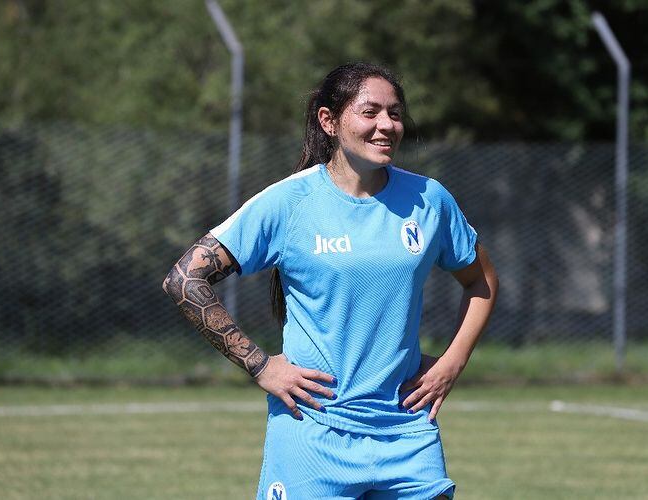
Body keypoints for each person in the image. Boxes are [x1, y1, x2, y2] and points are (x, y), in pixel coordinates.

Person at [163, 62, 498, 500]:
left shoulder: (429, 200)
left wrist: (453, 362)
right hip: (313, 433)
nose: (386, 125)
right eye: (370, 112)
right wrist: (261, 365)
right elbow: (186, 279)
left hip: (407, 431)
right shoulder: (290, 202)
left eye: (395, 113)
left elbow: (482, 281)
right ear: (329, 121)